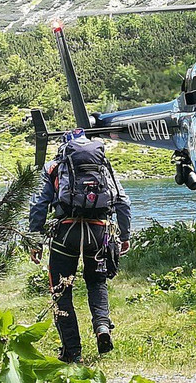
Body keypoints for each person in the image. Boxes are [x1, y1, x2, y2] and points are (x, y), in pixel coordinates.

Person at [29, 129, 131, 363]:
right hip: (99, 231)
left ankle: (72, 351)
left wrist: (35, 238)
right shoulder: (103, 166)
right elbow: (123, 201)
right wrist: (124, 234)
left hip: (66, 232)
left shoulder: (54, 167)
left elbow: (39, 204)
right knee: (97, 282)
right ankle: (102, 327)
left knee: (61, 292)